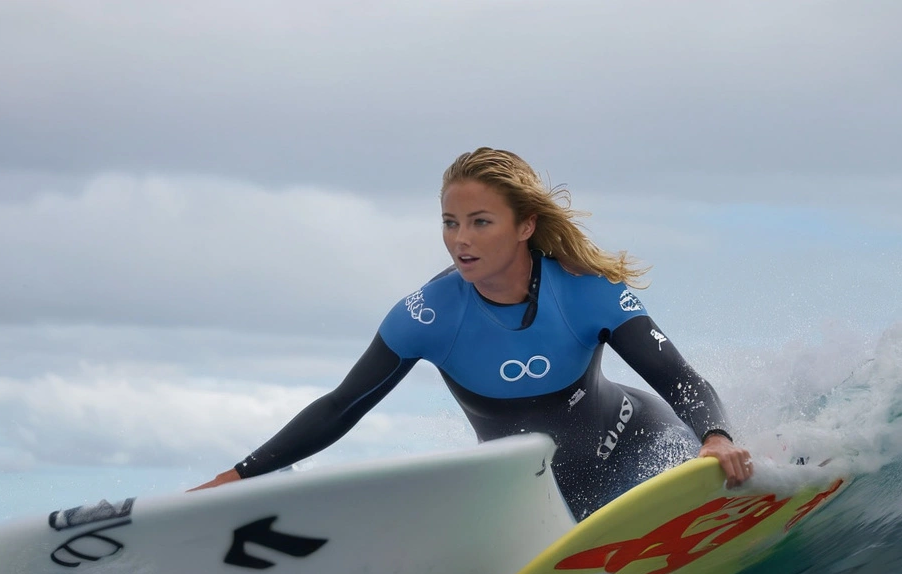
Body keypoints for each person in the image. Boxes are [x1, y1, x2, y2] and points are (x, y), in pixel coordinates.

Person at [192, 148, 753, 520]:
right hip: (542, 499)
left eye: (480, 221)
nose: (461, 239)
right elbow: (342, 405)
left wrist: (716, 436)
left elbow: (678, 379)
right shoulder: (426, 316)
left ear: (524, 225)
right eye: (450, 222)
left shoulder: (587, 290)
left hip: (649, 455)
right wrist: (241, 474)